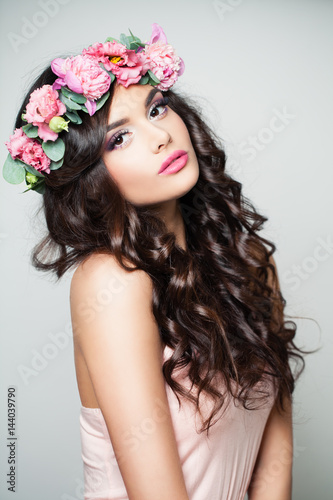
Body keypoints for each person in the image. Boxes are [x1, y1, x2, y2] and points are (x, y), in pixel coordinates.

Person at [3, 23, 308, 500]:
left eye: (157, 109)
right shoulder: (112, 283)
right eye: (119, 139)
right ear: (89, 177)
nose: (160, 136)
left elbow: (275, 460)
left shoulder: (249, 265)